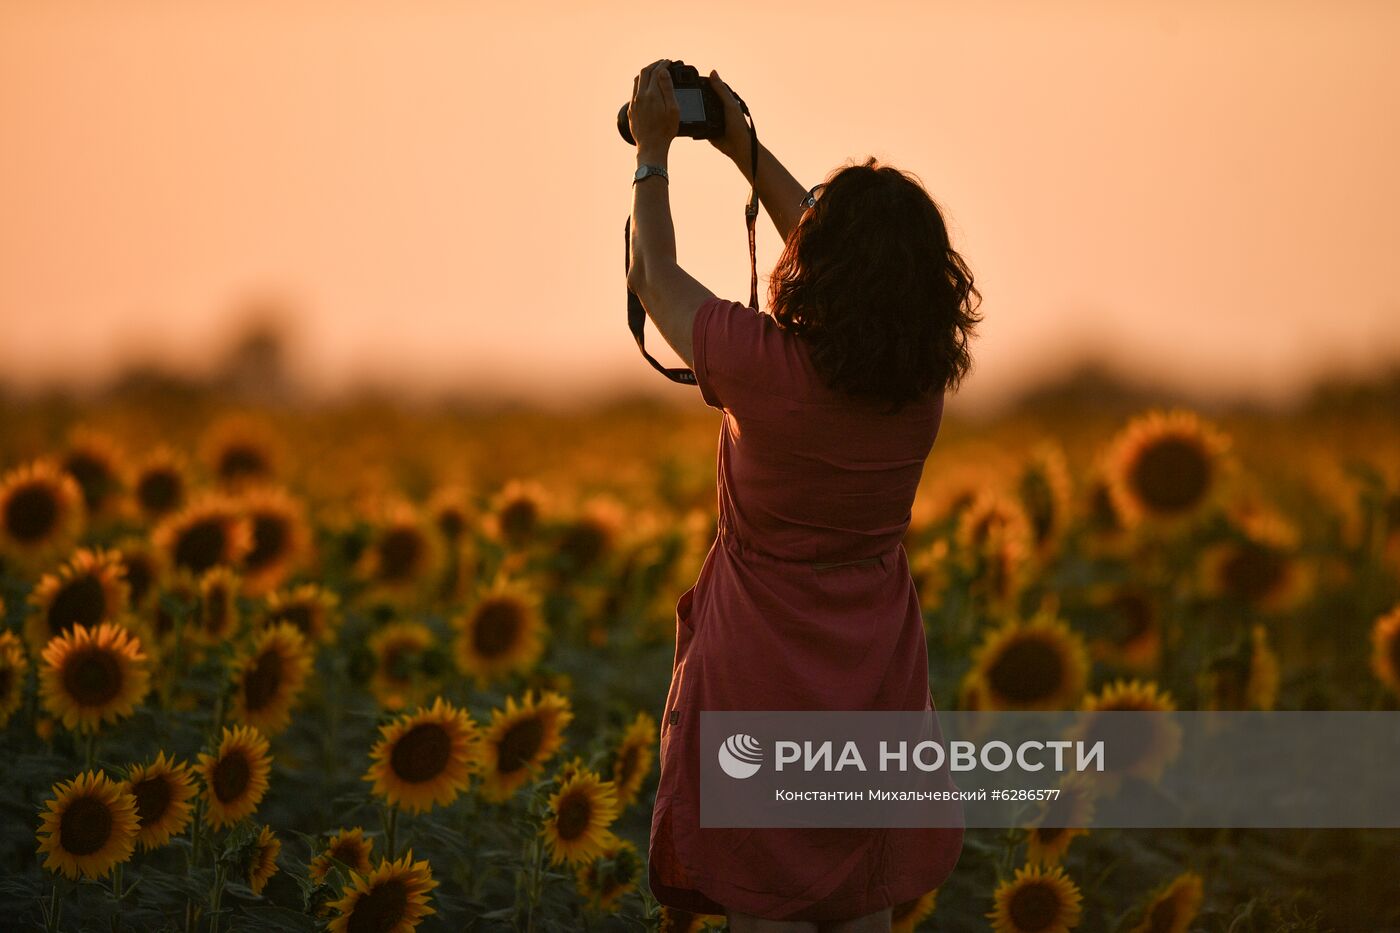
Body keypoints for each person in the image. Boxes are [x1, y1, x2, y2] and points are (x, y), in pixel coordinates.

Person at [626, 60, 980, 932]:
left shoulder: (766, 370)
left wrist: (654, 155)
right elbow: (842, 258)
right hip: (875, 674)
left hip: (763, 670)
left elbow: (653, 273)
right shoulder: (919, 390)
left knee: (766, 902)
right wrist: (745, 151)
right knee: (860, 900)